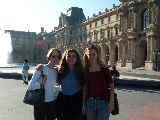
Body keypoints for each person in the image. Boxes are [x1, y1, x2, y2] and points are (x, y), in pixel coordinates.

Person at [28, 48, 61, 120]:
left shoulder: (57, 70)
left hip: (52, 103)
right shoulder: (42, 68)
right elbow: (30, 86)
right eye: (53, 56)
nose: (56, 58)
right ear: (49, 57)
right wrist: (40, 84)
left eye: (57, 57)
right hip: (40, 102)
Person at [82, 45, 114, 120]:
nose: (91, 56)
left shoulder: (104, 69)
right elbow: (85, 88)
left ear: (97, 55)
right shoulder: (85, 70)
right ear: (86, 55)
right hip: (90, 103)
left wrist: (111, 102)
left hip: (103, 103)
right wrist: (83, 104)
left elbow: (112, 85)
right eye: (89, 54)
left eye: (93, 54)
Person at [56, 49, 86, 120]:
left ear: (77, 58)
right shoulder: (60, 71)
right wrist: (41, 67)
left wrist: (84, 104)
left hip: (77, 101)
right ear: (65, 58)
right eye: (68, 56)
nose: (71, 58)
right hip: (63, 101)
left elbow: (85, 88)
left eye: (73, 56)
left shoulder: (82, 71)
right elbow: (48, 69)